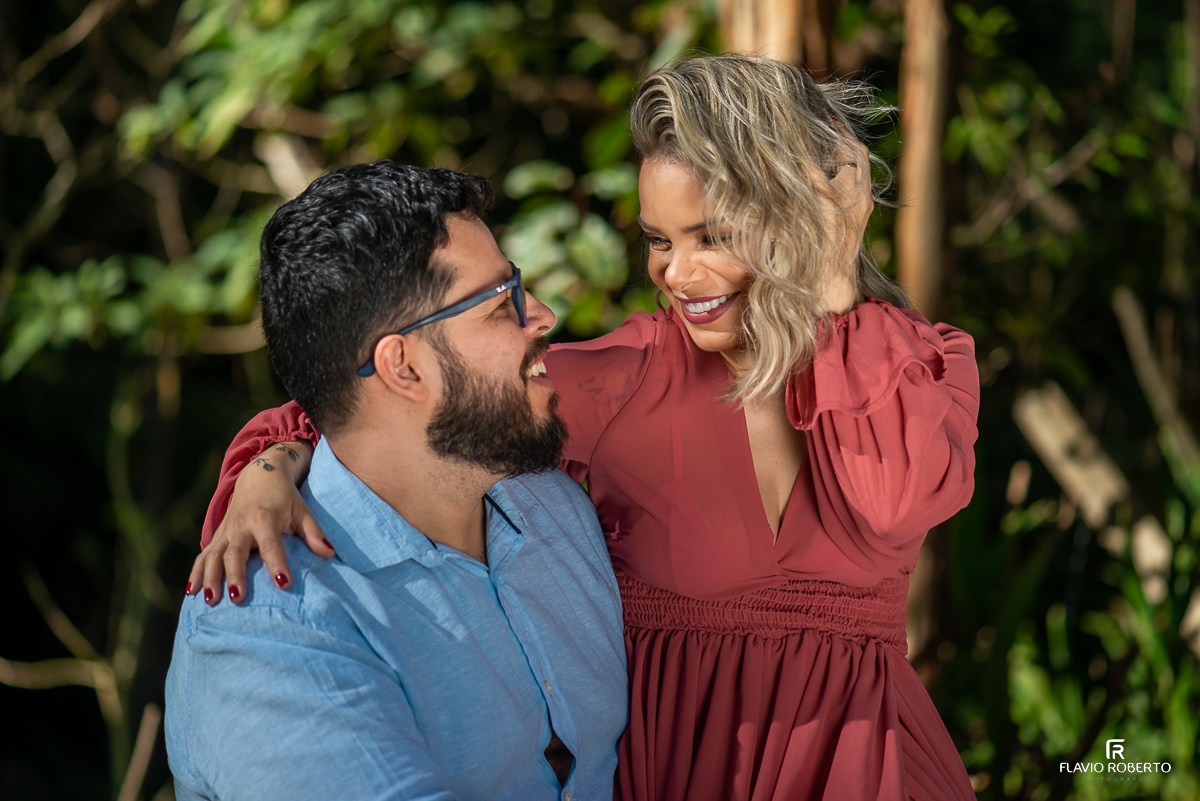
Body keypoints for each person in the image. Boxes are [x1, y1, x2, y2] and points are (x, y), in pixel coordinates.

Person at [192, 54, 980, 800]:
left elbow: (891, 496)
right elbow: (380, 404)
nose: (677, 272)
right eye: (659, 240)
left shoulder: (911, 362)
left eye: (713, 236)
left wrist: (837, 280)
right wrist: (268, 468)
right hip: (680, 775)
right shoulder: (624, 378)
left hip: (875, 770)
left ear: (792, 218)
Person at [165, 161, 628, 801]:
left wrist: (277, 457)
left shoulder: (552, 506)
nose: (543, 316)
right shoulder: (271, 627)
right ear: (403, 367)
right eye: (501, 305)